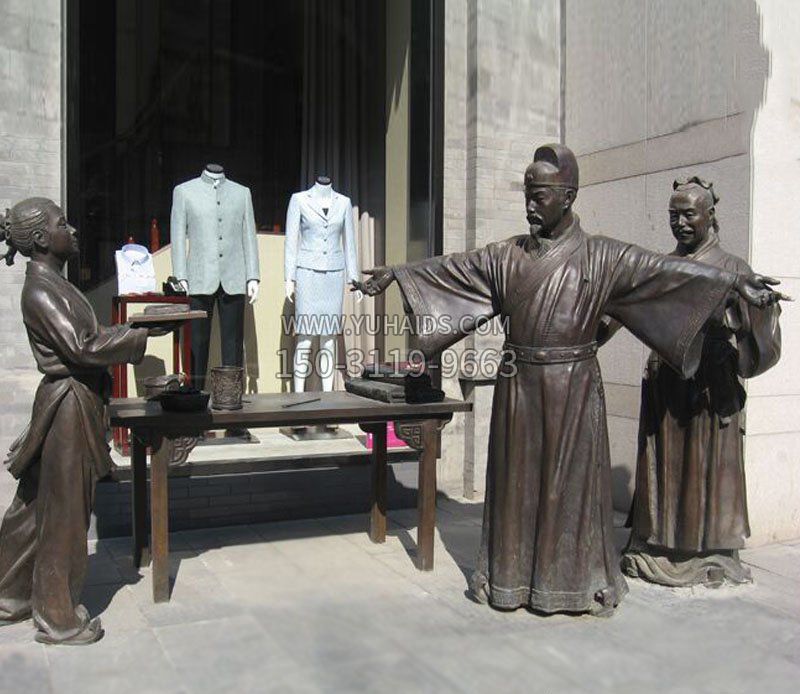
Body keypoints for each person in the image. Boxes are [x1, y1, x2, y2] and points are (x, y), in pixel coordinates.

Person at [356, 144, 786, 616]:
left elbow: (663, 272)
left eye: (539, 196)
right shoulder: (507, 256)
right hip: (519, 386)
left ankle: (574, 584)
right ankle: (509, 581)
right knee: (517, 486)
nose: (529, 205)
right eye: (527, 195)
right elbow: (456, 268)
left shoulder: (602, 255)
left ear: (568, 196)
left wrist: (730, 283)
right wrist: (399, 275)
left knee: (572, 489)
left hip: (575, 388)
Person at [0, 198, 171, 644]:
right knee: (64, 513)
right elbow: (83, 348)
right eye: (63, 224)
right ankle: (57, 616)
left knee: (33, 508)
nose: (73, 229)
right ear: (41, 239)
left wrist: (138, 328)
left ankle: (9, 596)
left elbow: (88, 338)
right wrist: (137, 338)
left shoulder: (56, 284)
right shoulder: (40, 291)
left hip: (67, 403)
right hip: (67, 408)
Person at [621, 177, 781, 587]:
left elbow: (759, 337)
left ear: (710, 215)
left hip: (711, 386)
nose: (680, 222)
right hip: (667, 383)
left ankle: (706, 549)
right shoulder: (661, 267)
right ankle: (660, 543)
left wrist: (757, 312)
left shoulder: (734, 268)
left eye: (689, 214)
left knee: (705, 466)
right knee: (667, 464)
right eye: (673, 215)